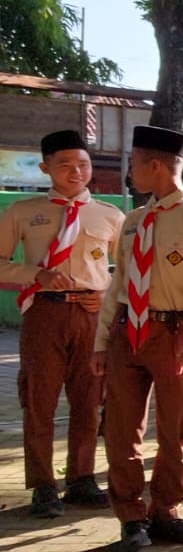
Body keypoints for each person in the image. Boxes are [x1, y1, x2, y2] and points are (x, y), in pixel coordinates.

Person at [93, 126, 183, 552]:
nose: (130, 172)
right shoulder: (133, 222)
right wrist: (101, 342)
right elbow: (118, 286)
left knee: (175, 429)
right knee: (121, 429)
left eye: (133, 164)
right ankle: (130, 517)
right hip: (126, 334)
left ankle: (165, 510)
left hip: (174, 334)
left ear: (154, 166)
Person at [1, 130, 123, 518]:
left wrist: (105, 294)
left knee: (89, 400)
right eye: (65, 164)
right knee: (40, 400)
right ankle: (42, 485)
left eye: (83, 164)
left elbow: (126, 270)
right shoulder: (22, 212)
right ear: (45, 167)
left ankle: (82, 478)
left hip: (91, 315)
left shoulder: (109, 214)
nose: (76, 171)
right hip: (44, 313)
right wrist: (34, 274)